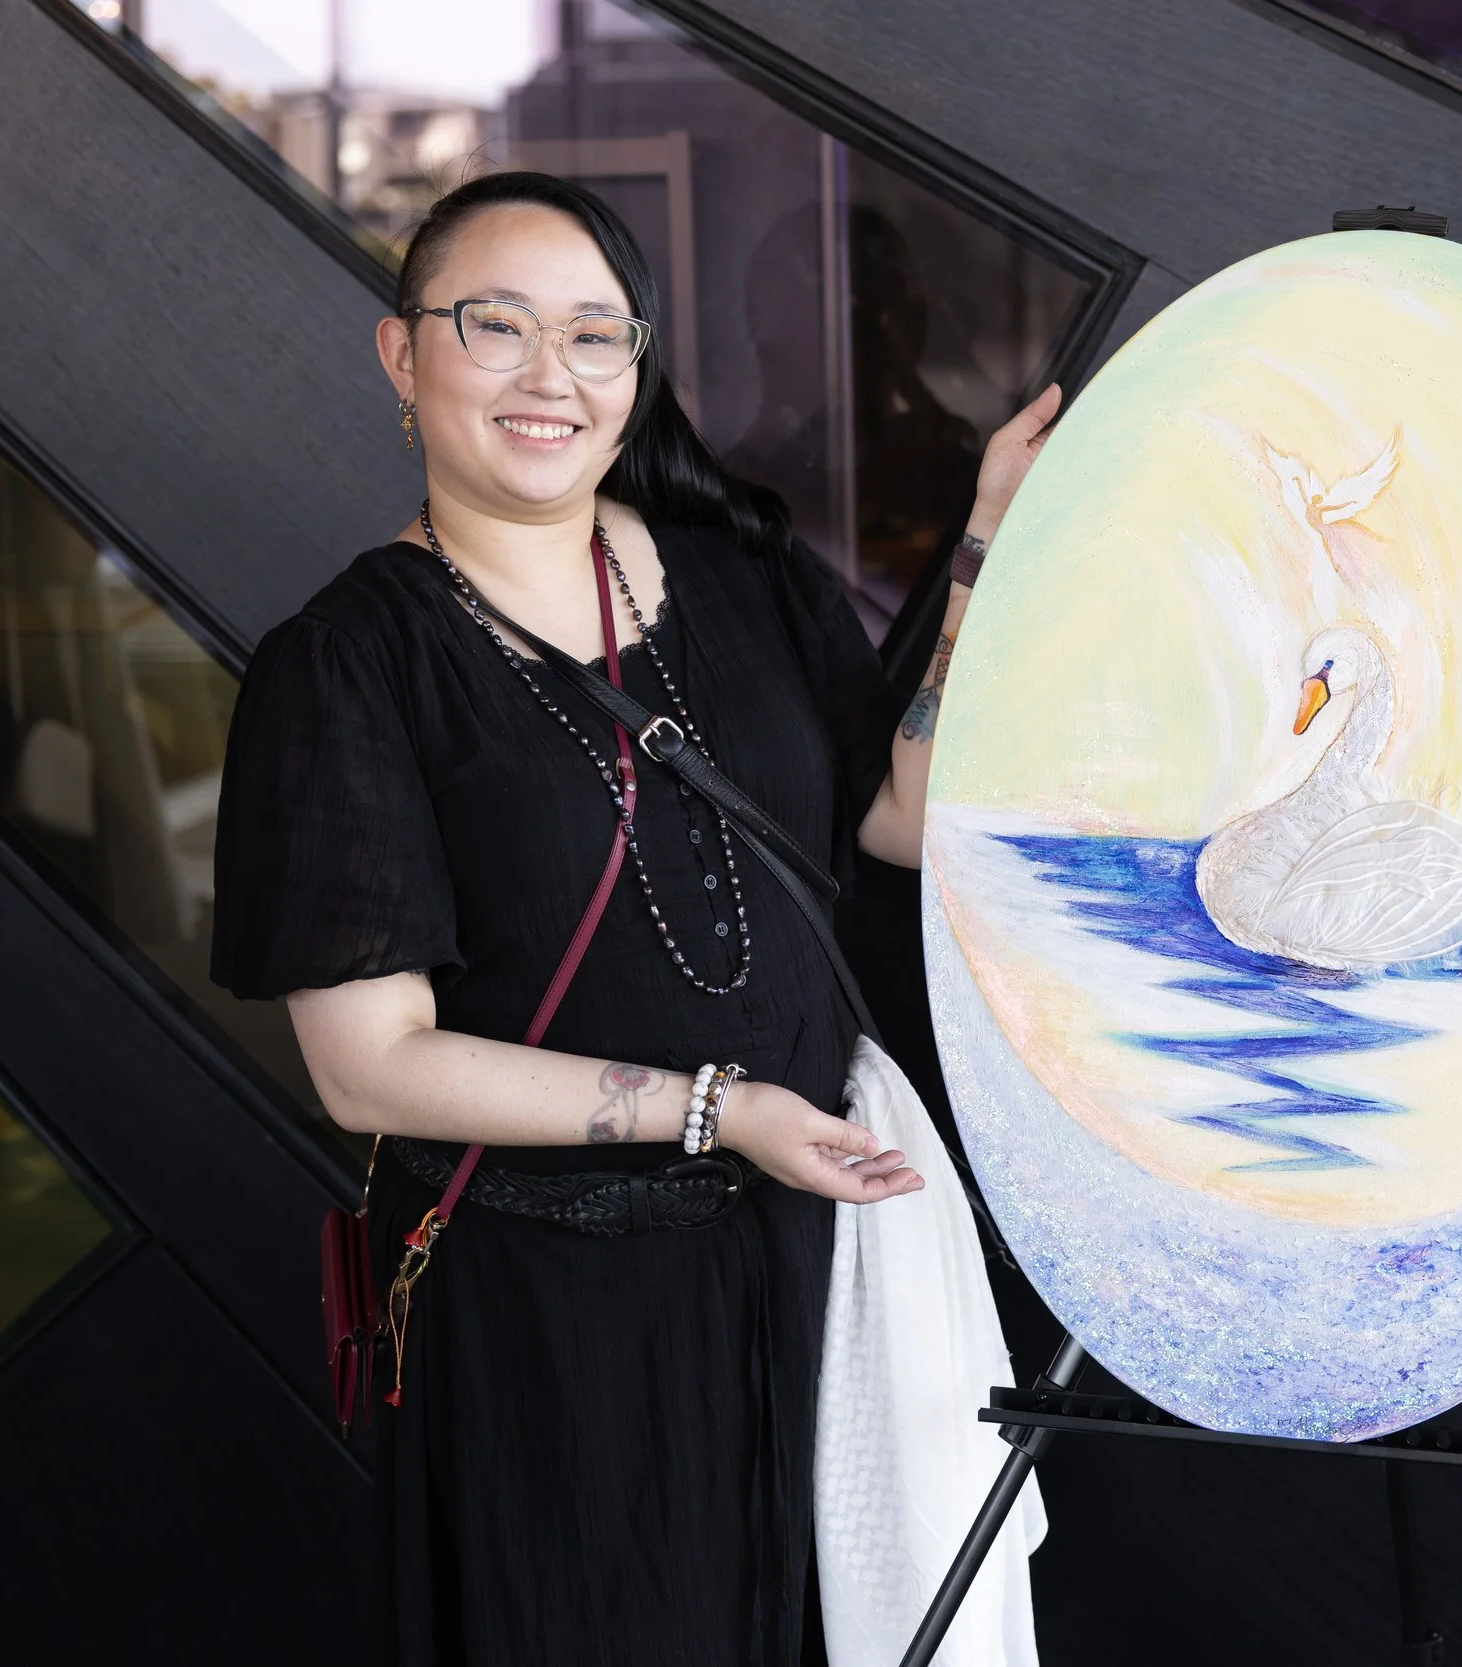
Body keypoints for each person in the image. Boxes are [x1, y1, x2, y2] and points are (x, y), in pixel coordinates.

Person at [207, 169, 1057, 1666]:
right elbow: (368, 1067)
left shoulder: (740, 571)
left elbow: (899, 816)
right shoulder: (346, 666)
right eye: (497, 325)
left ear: (636, 369)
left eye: (594, 335)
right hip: (559, 1326)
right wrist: (717, 1109)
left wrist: (989, 540)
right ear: (402, 356)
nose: (552, 376)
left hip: (815, 1266)